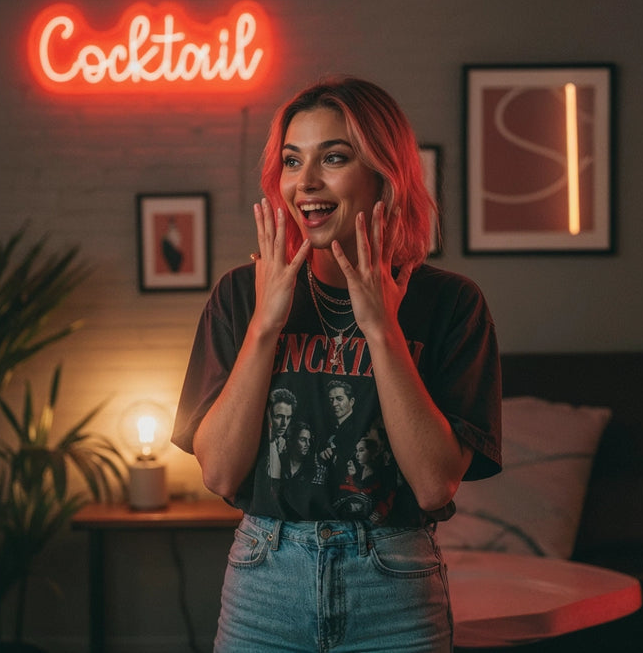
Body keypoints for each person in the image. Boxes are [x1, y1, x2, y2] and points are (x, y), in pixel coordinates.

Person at [173, 76, 503, 652]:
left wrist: (381, 326)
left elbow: (433, 484)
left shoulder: (452, 304)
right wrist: (265, 324)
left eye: (334, 157)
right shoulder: (240, 296)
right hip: (265, 580)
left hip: (394, 584)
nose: (307, 182)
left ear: (384, 174)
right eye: (293, 161)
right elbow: (220, 474)